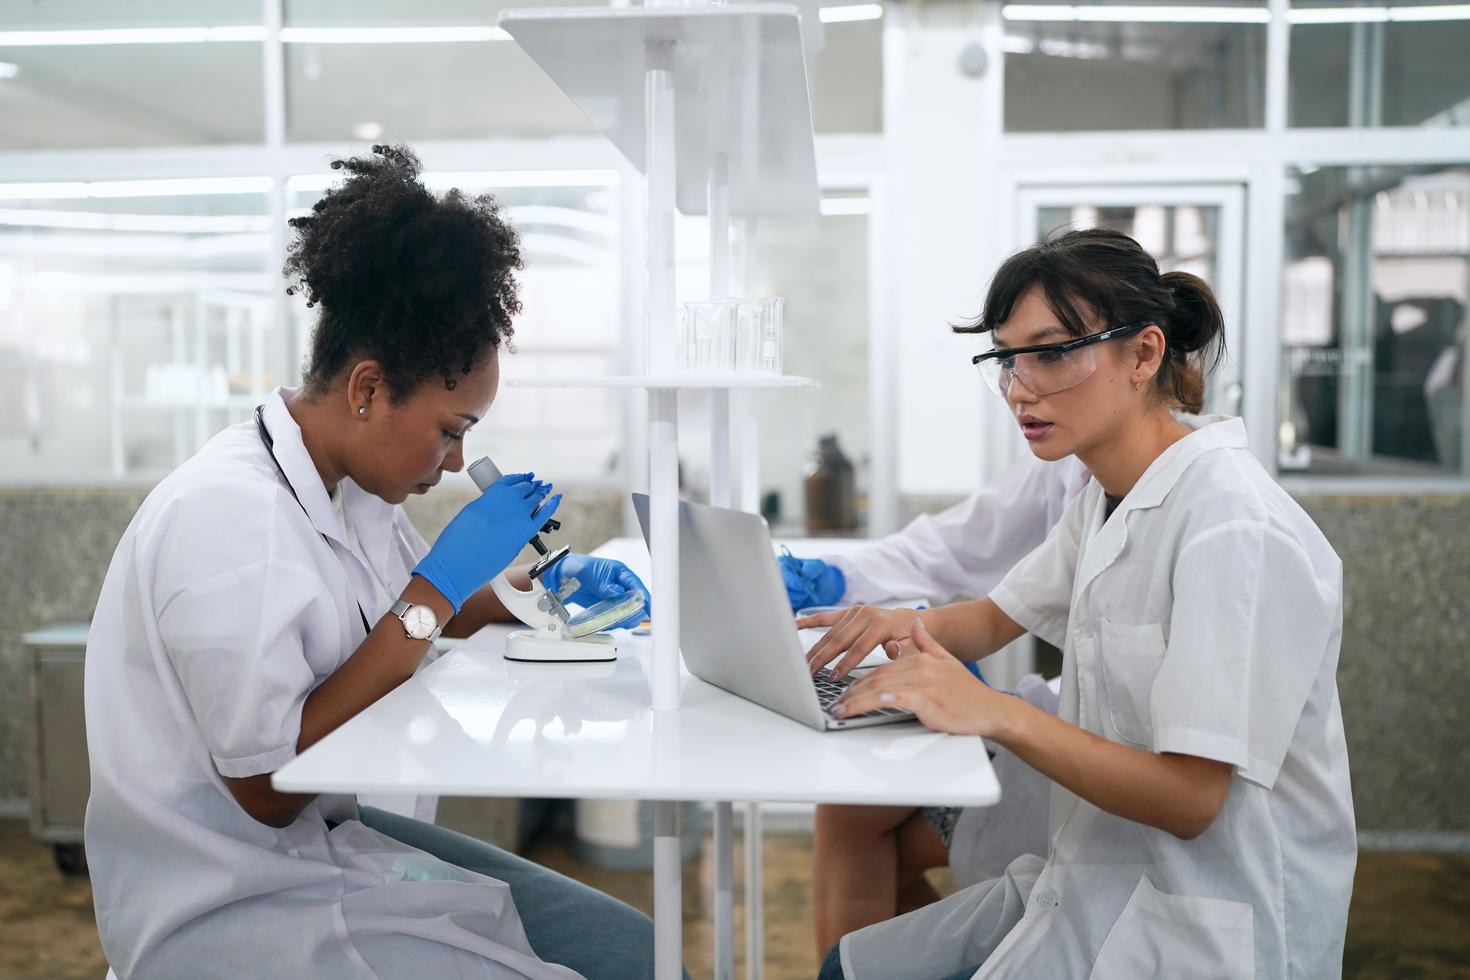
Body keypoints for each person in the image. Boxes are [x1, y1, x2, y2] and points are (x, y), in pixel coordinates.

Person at [83, 144, 662, 979]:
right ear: (365, 388)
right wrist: (437, 583)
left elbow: (417, 610)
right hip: (231, 899)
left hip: (330, 849)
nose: (456, 462)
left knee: (632, 949)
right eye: (450, 428)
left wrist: (528, 591)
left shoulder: (347, 485)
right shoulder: (226, 518)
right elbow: (270, 789)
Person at [802, 228, 1356, 979]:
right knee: (853, 965)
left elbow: (1193, 799)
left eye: (1052, 351)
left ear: (1144, 354)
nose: (1020, 387)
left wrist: (992, 709)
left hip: (1208, 919)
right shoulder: (1106, 498)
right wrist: (893, 626)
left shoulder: (1232, 526)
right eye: (1005, 358)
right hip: (1096, 875)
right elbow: (993, 617)